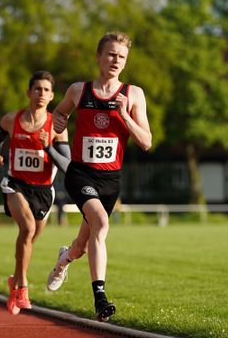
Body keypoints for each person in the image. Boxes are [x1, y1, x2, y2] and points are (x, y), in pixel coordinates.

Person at [45, 32, 152, 322]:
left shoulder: (133, 95)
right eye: (111, 55)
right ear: (99, 56)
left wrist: (126, 116)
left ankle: (63, 261)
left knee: (83, 243)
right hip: (80, 174)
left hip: (110, 180)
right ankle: (100, 298)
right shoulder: (79, 91)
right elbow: (59, 115)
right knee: (102, 224)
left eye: (122, 57)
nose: (116, 61)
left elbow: (146, 142)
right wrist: (59, 120)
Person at [0, 70, 70, 315]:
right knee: (27, 230)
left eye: (46, 90)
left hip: (43, 190)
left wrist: (48, 147)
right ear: (29, 92)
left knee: (28, 241)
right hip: (15, 184)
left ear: (52, 95)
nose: (41, 94)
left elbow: (67, 164)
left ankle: (14, 281)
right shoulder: (11, 119)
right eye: (37, 89)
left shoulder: (56, 127)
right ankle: (23, 287)